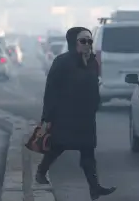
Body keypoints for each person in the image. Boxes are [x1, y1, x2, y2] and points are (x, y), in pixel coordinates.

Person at [35, 27, 116, 200]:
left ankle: (94, 188)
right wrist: (47, 117)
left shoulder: (93, 62)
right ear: (73, 42)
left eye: (90, 41)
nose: (87, 45)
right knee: (58, 146)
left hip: (85, 116)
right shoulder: (62, 62)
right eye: (83, 41)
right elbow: (51, 90)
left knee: (88, 153)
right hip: (65, 114)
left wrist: (96, 104)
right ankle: (41, 171)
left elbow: (94, 85)